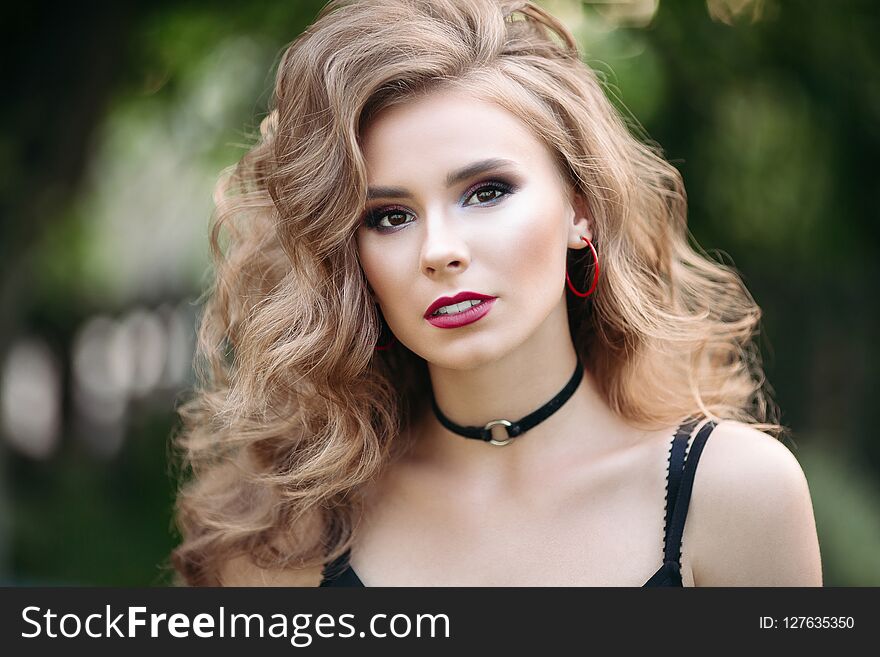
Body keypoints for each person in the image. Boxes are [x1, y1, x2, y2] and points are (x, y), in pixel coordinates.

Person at [170, 0, 822, 587]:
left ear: (580, 209)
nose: (440, 250)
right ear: (349, 252)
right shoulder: (283, 541)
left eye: (486, 192)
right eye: (389, 216)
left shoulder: (734, 494)